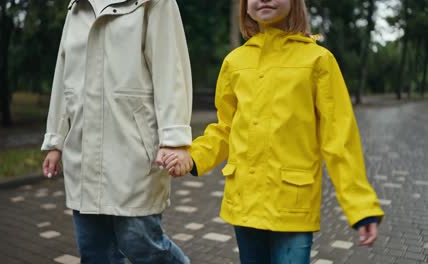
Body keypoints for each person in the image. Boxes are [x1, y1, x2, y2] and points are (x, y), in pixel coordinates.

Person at [160, 0, 385, 263]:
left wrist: (361, 207)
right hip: (244, 201)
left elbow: (340, 139)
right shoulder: (235, 62)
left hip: (292, 205)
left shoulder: (318, 61)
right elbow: (225, 129)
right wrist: (193, 156)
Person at [41, 0, 192, 263]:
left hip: (133, 149)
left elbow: (171, 68)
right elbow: (63, 75)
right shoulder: (76, 7)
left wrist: (174, 139)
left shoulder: (156, 3)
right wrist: (55, 140)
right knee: (94, 250)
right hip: (83, 152)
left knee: (140, 244)